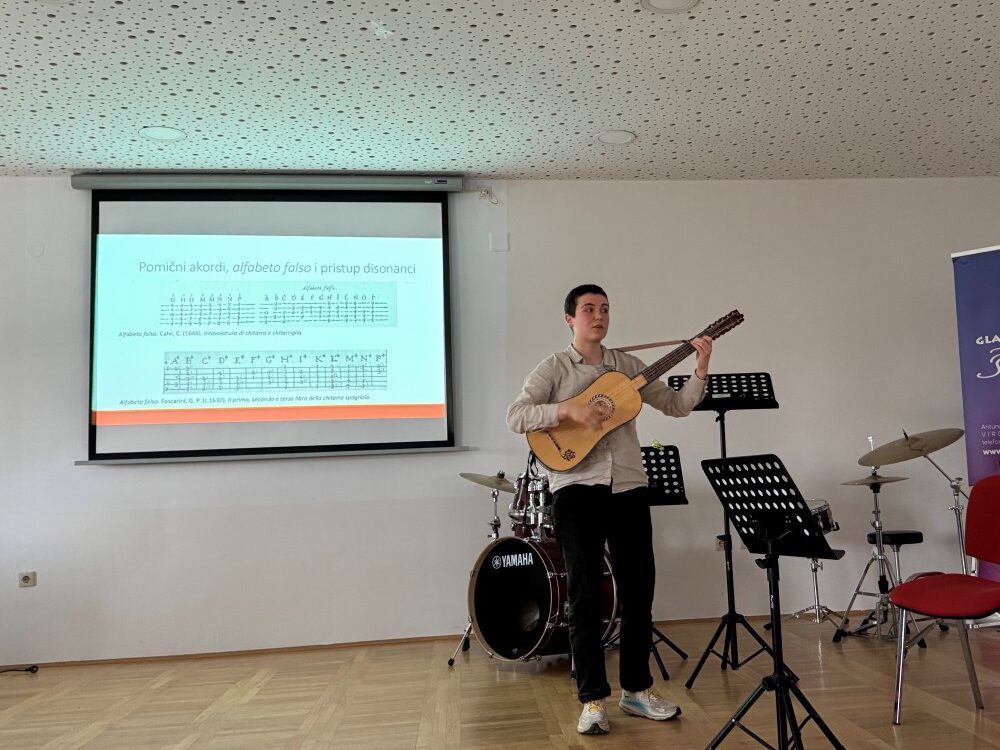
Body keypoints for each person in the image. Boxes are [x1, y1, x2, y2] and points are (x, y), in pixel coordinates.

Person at [506, 283, 713, 735]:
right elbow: (517, 415)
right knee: (583, 596)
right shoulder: (555, 367)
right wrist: (569, 411)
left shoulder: (628, 366)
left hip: (629, 487)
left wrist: (700, 368)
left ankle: (636, 690)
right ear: (570, 319)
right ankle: (593, 699)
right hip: (576, 489)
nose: (598, 316)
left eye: (604, 309)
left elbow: (676, 406)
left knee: (638, 593)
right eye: (588, 309)